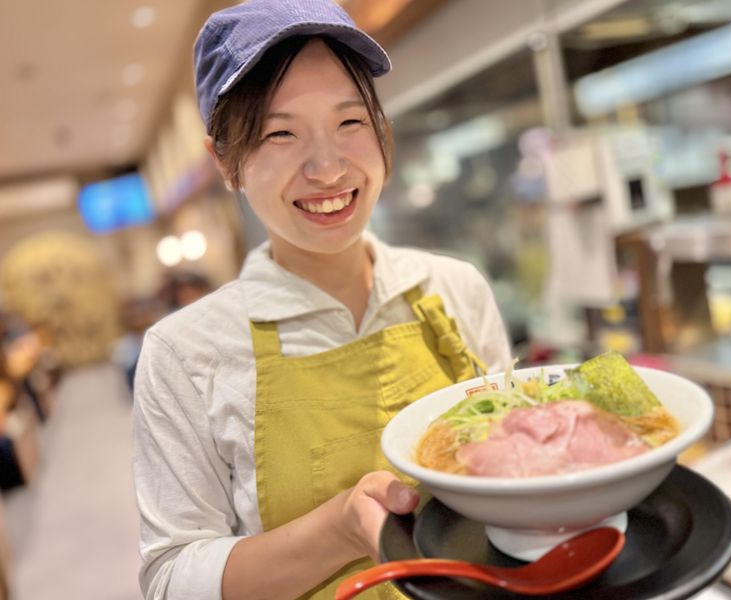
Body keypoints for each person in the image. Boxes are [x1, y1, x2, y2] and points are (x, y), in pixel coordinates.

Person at [131, 1, 512, 599]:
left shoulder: (454, 289)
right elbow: (171, 579)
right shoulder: (184, 354)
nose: (329, 168)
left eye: (351, 122)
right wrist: (340, 528)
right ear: (225, 162)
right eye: (280, 133)